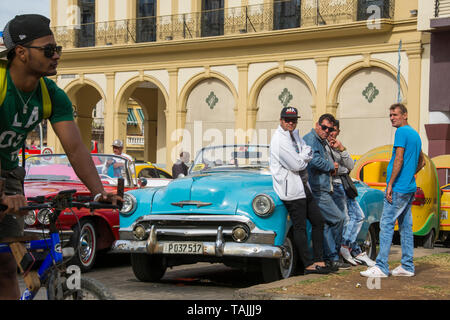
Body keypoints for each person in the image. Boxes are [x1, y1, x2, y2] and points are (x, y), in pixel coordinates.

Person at [0, 14, 120, 300]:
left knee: (6, 265)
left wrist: (98, 191)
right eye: (48, 50)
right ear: (21, 53)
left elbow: (76, 149)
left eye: (58, 50)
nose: (56, 56)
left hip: (8, 173)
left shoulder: (51, 95)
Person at [361, 103, 425, 278]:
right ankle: (407, 266)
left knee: (387, 224)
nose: (392, 118)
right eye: (390, 115)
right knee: (405, 226)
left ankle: (381, 266)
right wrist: (410, 175)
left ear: (404, 115)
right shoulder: (415, 134)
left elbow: (399, 158)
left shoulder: (402, 132)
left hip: (398, 188)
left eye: (395, 115)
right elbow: (422, 162)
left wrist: (390, 184)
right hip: (409, 187)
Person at [270, 107, 331, 275]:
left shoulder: (294, 135)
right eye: (287, 120)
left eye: (294, 120)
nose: (291, 123)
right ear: (281, 120)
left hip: (303, 185)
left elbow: (308, 151)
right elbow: (297, 164)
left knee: (318, 221)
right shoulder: (279, 141)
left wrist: (302, 157)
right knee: (300, 226)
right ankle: (308, 264)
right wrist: (304, 157)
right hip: (290, 189)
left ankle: (319, 260)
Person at [303, 114, 351, 271]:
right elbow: (314, 160)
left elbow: (349, 165)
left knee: (326, 223)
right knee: (338, 219)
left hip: (323, 188)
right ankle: (332, 256)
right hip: (317, 189)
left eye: (330, 129)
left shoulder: (321, 141)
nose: (326, 131)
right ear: (317, 125)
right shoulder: (311, 139)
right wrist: (331, 166)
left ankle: (331, 257)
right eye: (324, 127)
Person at [327, 120, 375, 267]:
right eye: (328, 130)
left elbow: (350, 165)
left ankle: (347, 246)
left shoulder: (337, 147)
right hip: (335, 185)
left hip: (345, 185)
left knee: (358, 216)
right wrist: (342, 168)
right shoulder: (324, 147)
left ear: (338, 132)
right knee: (346, 219)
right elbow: (335, 169)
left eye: (334, 130)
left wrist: (342, 148)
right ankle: (352, 249)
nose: (331, 133)